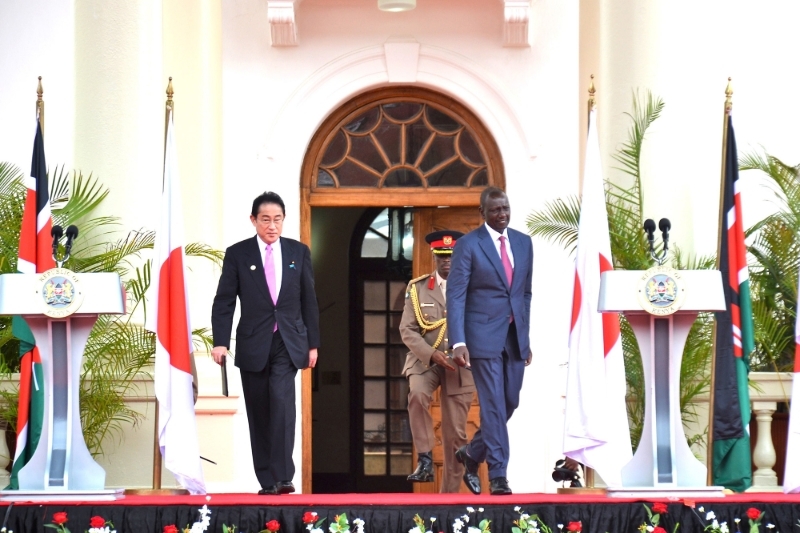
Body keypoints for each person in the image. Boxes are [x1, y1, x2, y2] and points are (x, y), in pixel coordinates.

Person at [211, 191, 320, 495]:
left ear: (284, 220)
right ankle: (267, 481)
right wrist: (220, 342)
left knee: (282, 403)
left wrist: (313, 344)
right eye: (266, 219)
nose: (272, 226)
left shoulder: (299, 252)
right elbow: (224, 301)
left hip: (288, 341)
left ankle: (284, 476)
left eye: (277, 219)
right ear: (253, 220)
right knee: (259, 411)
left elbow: (309, 300)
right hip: (253, 343)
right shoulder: (238, 254)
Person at [447, 186, 533, 495]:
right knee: (494, 405)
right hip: (481, 337)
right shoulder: (469, 245)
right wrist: (458, 341)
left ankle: (472, 453)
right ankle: (498, 474)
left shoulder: (524, 244)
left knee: (510, 401)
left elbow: (524, 293)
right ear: (483, 213)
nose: (503, 214)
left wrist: (525, 336)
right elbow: (455, 295)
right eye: (496, 210)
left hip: (514, 339)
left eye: (506, 208)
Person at [399, 230, 476, 493]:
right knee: (417, 395)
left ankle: (449, 496)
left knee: (456, 433)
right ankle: (425, 459)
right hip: (426, 359)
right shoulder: (418, 288)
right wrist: (431, 354)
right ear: (434, 257)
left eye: (452, 256)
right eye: (442, 256)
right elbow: (407, 329)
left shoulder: (472, 287)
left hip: (459, 363)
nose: (447, 262)